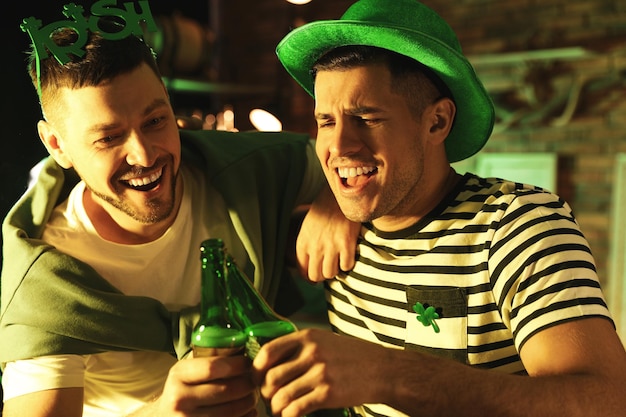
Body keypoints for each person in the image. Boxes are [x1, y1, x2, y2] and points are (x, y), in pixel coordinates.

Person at [252, 0, 626, 416]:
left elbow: (606, 401)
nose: (338, 146)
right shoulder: (336, 228)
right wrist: (332, 200)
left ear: (436, 122)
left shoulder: (518, 225)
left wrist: (388, 374)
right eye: (326, 121)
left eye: (367, 118)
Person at [0, 2, 357, 416]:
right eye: (109, 138)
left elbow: (355, 156)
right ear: (58, 146)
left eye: (155, 121)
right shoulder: (44, 283)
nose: (144, 155)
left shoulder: (242, 170)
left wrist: (336, 200)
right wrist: (165, 411)